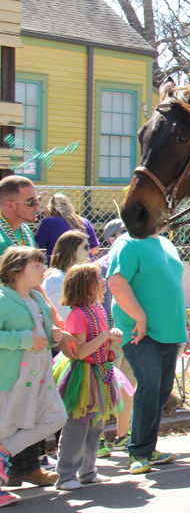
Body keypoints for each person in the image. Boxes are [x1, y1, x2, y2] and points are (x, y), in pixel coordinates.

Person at [0, 176, 71, 489]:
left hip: (32, 318)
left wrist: (50, 312)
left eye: (37, 199)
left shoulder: (26, 230)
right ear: (8, 204)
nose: (38, 206)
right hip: (9, 323)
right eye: (31, 202)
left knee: (33, 399)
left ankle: (27, 466)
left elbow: (35, 277)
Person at [106, 221, 186, 474]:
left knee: (162, 389)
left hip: (168, 332)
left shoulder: (166, 243)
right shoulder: (128, 243)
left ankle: (148, 449)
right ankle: (138, 452)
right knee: (150, 386)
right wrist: (140, 317)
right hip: (140, 333)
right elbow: (117, 282)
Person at [52, 263, 129, 490]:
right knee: (77, 426)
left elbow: (101, 344)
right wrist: (106, 336)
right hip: (83, 374)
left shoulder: (99, 310)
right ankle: (66, 475)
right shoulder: (77, 315)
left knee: (96, 424)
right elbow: (81, 351)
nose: (103, 281)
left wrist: (112, 339)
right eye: (97, 277)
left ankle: (87, 470)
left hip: (100, 371)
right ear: (85, 284)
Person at [94, 219, 134, 456]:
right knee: (101, 388)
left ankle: (122, 435)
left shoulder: (133, 261)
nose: (130, 235)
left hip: (130, 336)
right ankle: (97, 438)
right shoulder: (100, 268)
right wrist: (106, 335)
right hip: (107, 338)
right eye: (123, 232)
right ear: (111, 239)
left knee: (128, 387)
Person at [41, 230, 91, 322]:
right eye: (85, 247)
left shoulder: (72, 276)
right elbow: (63, 318)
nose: (89, 250)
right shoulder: (55, 278)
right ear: (71, 249)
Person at [34, 194, 100, 261]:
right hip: (86, 265)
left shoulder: (49, 222)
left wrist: (47, 217)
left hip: (61, 266)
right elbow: (95, 250)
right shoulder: (84, 221)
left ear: (51, 208)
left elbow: (35, 245)